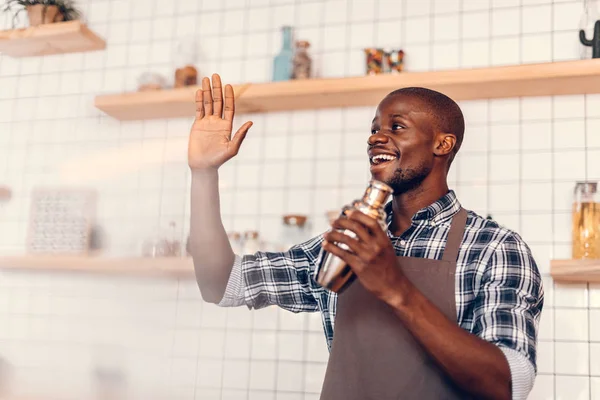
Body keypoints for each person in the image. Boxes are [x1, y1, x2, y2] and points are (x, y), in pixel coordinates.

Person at [188, 74, 544, 400]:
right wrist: (203, 174)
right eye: (374, 128)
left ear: (442, 144)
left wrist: (395, 288)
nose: (376, 136)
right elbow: (221, 283)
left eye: (396, 126)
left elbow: (508, 383)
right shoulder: (346, 241)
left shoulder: (494, 248)